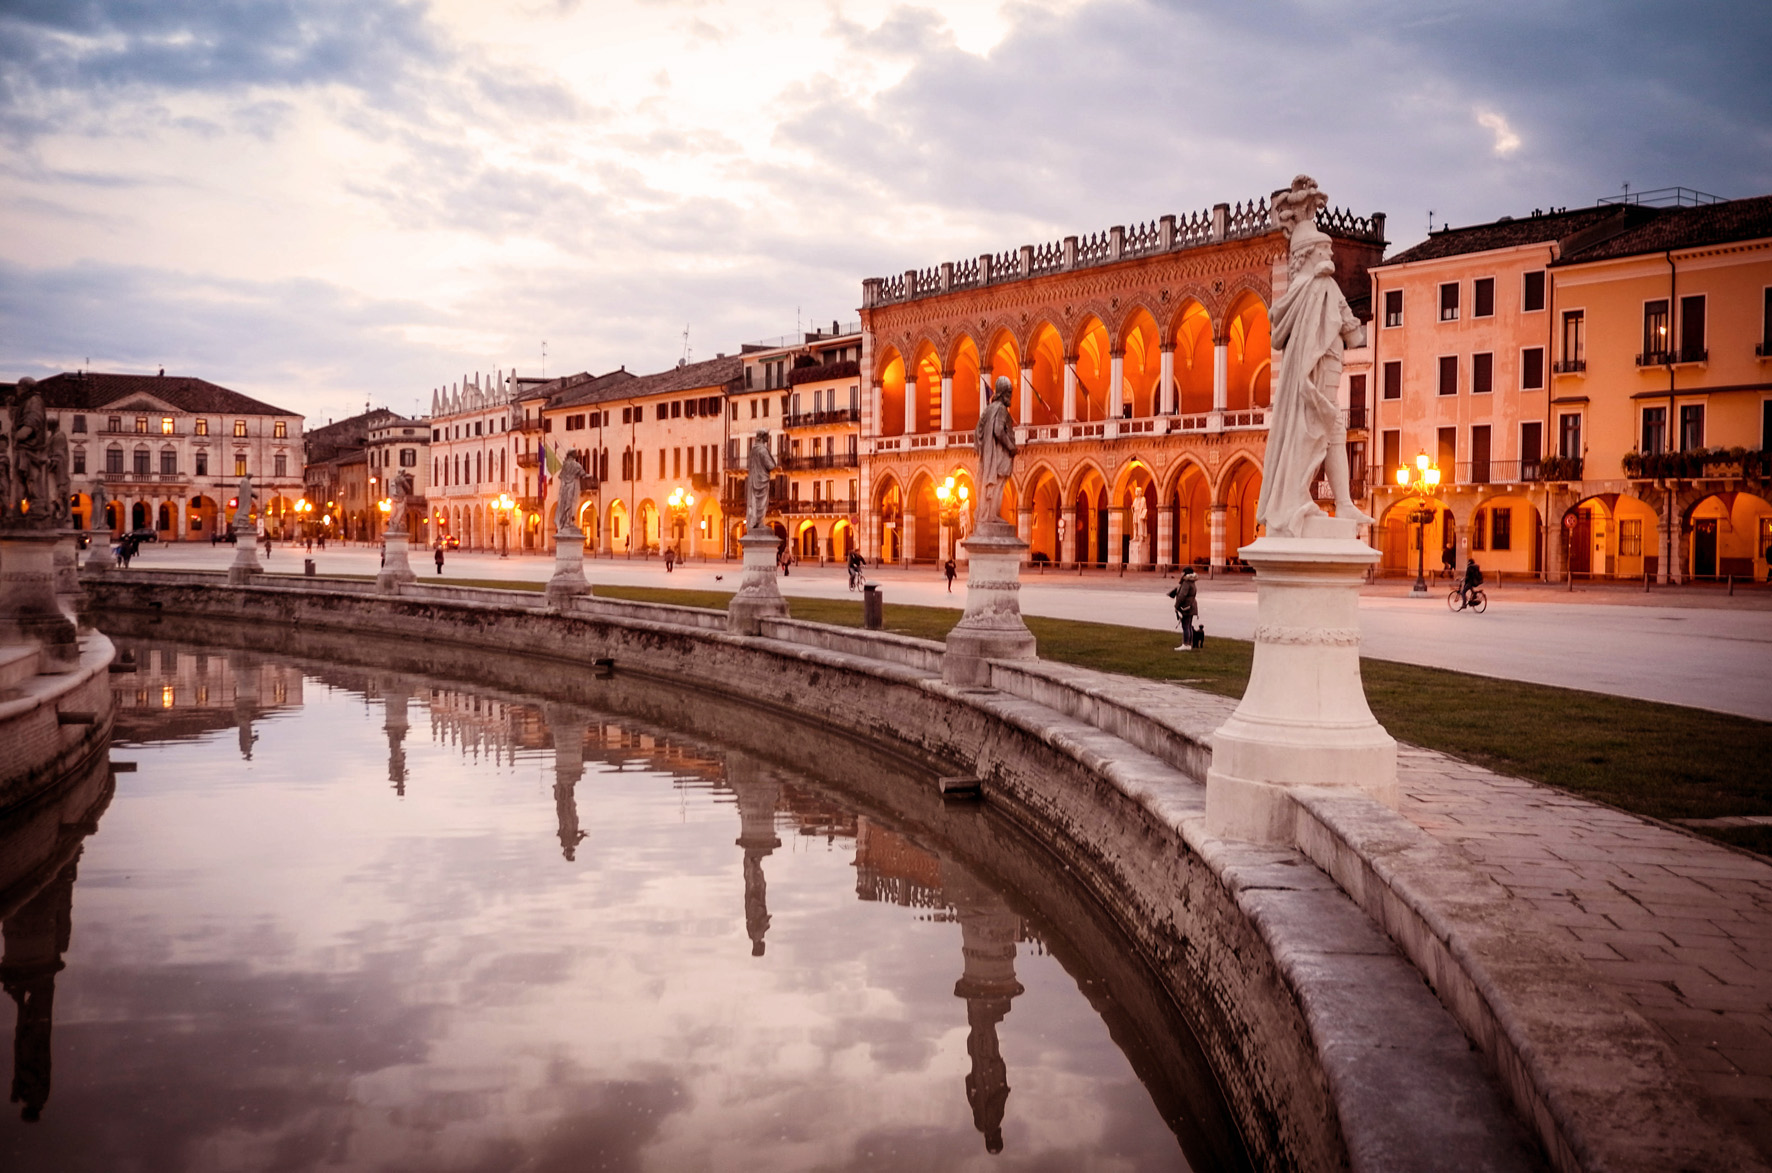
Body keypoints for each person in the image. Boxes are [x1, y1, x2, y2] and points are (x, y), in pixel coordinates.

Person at [1257, 176, 1373, 537]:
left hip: (1319, 372)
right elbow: (1354, 336)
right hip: (1318, 373)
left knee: (1327, 430)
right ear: (1309, 256)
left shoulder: (1309, 291)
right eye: (1324, 251)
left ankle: (1340, 504)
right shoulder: (1320, 288)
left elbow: (1351, 335)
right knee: (1324, 430)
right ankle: (1336, 504)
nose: (1331, 256)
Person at [1168, 566, 1199, 651]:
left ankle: (1185, 644)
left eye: (1182, 572)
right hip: (1191, 605)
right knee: (1188, 625)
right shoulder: (1191, 581)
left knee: (1185, 626)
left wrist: (1176, 606)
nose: (1181, 573)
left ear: (1185, 573)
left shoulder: (1186, 582)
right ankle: (1189, 644)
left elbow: (1182, 596)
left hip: (1186, 607)